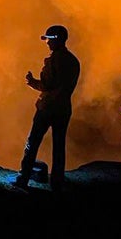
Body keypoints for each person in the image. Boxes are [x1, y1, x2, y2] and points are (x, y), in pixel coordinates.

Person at [14, 24, 80, 192]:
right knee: (59, 146)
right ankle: (57, 182)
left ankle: (23, 177)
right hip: (64, 109)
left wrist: (32, 82)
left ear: (57, 40)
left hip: (47, 108)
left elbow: (47, 84)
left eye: (49, 40)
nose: (47, 43)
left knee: (32, 143)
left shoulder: (53, 60)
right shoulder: (73, 61)